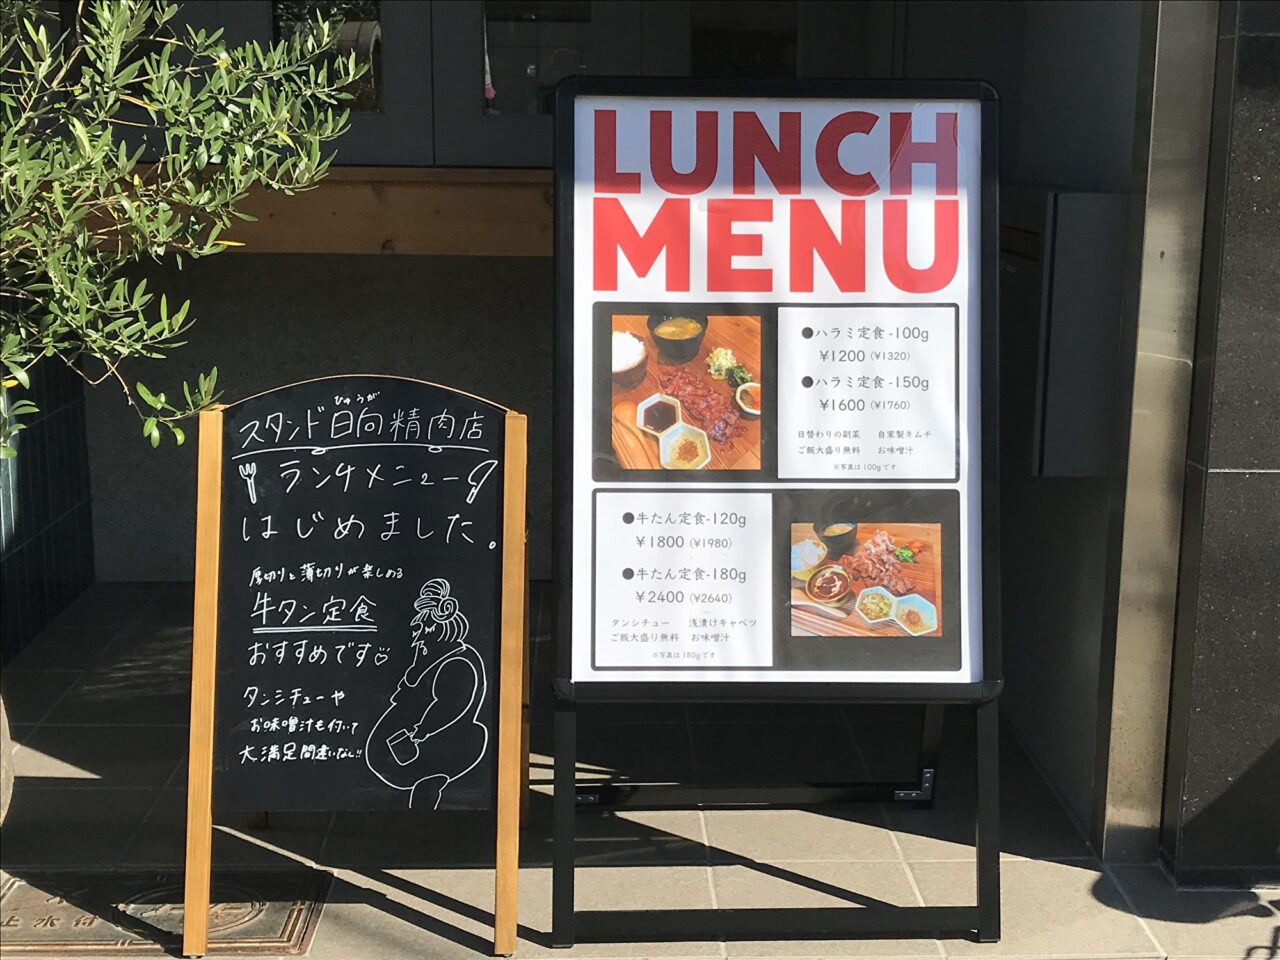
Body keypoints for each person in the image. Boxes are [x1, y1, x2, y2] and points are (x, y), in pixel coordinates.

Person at [365, 579, 488, 809]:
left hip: (437, 744)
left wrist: (421, 731)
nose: (418, 635)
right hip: (407, 746)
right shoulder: (428, 657)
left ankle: (429, 789)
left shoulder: (456, 662)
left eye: (422, 628)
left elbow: (451, 705)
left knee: (428, 775)